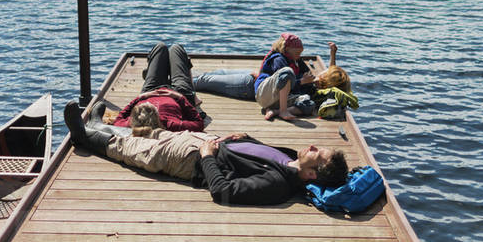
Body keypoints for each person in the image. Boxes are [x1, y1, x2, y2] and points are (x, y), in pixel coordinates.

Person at [63, 102, 349, 207]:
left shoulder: (277, 185)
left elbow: (224, 191)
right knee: (153, 133)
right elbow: (256, 155)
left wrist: (207, 156)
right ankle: (99, 127)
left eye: (317, 153)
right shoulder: (288, 159)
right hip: (209, 143)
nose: (312, 146)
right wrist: (245, 138)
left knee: (137, 150)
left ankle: (84, 137)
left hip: (194, 160)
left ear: (311, 174)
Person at [193, 36, 351, 122]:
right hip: (257, 80)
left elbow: (329, 76)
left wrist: (332, 55)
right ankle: (187, 77)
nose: (300, 55)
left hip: (249, 88)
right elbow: (326, 77)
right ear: (287, 49)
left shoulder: (297, 63)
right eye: (298, 52)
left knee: (206, 81)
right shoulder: (280, 59)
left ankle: (183, 81)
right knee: (216, 74)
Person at [110, 42, 206, 132]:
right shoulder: (170, 124)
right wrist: (179, 97)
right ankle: (192, 94)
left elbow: (118, 120)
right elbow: (198, 124)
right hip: (179, 95)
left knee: (160, 47)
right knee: (176, 49)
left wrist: (141, 97)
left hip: (150, 92)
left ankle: (154, 72)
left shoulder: (136, 123)